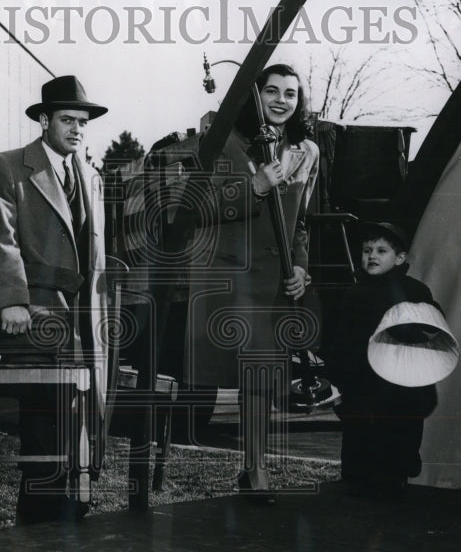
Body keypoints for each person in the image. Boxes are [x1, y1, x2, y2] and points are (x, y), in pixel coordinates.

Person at [0, 75, 110, 525]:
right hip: (33, 311)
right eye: (68, 120)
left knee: (80, 409)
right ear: (44, 120)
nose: (77, 129)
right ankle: (38, 507)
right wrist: (11, 299)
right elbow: (0, 240)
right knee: (43, 410)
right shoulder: (8, 166)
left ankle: (72, 496)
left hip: (83, 316)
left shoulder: (88, 175)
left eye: (83, 123)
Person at [184, 63, 319, 503]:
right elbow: (199, 208)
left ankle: (255, 468)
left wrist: (299, 267)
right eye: (272, 92)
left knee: (261, 375)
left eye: (291, 94)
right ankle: (245, 465)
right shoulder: (224, 141)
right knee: (234, 373)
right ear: (255, 97)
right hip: (231, 274)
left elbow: (303, 223)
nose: (282, 100)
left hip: (277, 279)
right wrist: (256, 185)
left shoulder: (306, 151)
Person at [325, 221, 439, 497]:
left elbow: (432, 327)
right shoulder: (353, 293)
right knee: (359, 446)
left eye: (381, 250)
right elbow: (341, 339)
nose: (371, 256)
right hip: (360, 385)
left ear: (400, 258)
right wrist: (337, 381)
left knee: (398, 446)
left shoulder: (415, 291)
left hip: (401, 387)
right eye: (366, 250)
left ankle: (393, 492)